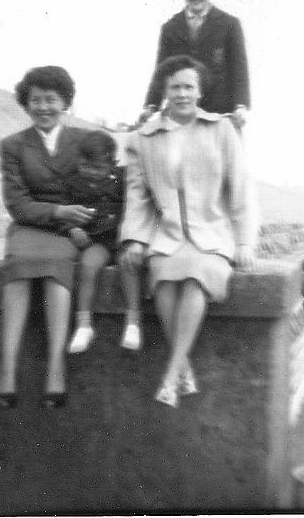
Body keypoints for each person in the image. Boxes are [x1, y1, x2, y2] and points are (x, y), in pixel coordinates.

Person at [120, 54, 256, 408]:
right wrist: (134, 238)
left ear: (200, 91)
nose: (182, 94)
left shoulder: (222, 128)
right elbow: (136, 196)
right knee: (164, 281)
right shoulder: (143, 137)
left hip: (212, 233)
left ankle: (171, 375)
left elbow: (240, 188)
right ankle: (184, 371)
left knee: (198, 277)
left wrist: (244, 241)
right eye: (174, 87)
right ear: (164, 92)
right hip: (167, 234)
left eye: (189, 87)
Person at [0, 65, 96, 410]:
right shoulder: (12, 146)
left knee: (56, 271)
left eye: (51, 99)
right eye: (35, 100)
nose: (43, 107)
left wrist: (72, 221)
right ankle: (7, 372)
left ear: (65, 102)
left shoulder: (84, 142)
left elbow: (95, 190)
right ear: (26, 103)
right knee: (19, 267)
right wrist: (58, 213)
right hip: (29, 227)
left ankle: (56, 368)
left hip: (70, 232)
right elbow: (17, 203)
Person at [138, 0, 250, 129]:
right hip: (181, 115)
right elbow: (162, 70)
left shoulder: (230, 25)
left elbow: (239, 71)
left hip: (219, 115)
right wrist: (151, 106)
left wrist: (241, 106)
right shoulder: (170, 28)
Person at [64, 130, 142, 353]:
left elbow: (138, 204)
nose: (89, 172)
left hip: (122, 237)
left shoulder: (123, 180)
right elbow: (64, 213)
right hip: (96, 240)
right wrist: (73, 229)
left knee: (129, 264)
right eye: (84, 166)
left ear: (112, 164)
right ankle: (83, 324)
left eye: (97, 168)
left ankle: (133, 322)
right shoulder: (72, 183)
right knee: (88, 266)